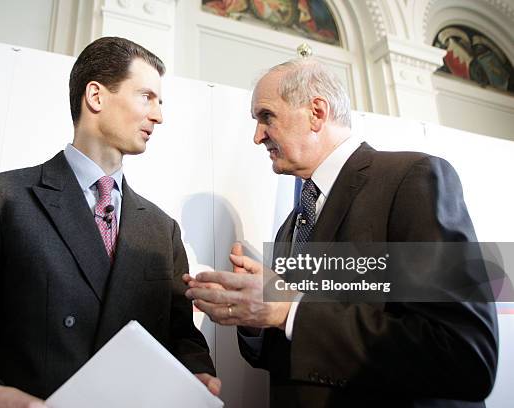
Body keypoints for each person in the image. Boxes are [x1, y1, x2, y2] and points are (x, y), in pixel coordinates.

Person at [0, 37, 219, 406]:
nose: (159, 116)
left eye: (160, 102)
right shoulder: (1, 200)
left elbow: (183, 341)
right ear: (96, 96)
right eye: (146, 96)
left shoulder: (162, 230)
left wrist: (196, 376)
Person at [185, 58, 498, 407]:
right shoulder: (293, 222)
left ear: (317, 112)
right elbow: (294, 355)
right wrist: (254, 317)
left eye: (266, 116)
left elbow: (463, 352)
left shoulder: (413, 178)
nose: (257, 136)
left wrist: (286, 308)